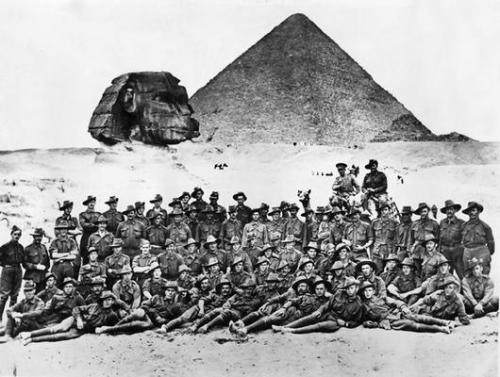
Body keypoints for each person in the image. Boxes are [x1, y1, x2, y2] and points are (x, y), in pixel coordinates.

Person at [233, 276, 328, 336]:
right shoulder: (293, 293)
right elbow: (284, 299)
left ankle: (245, 328)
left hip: (295, 320)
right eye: (299, 286)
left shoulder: (313, 297)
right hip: (285, 312)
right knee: (267, 316)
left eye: (303, 286)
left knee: (269, 321)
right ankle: (242, 326)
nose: (300, 288)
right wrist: (279, 307)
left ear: (308, 287)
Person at [22, 291, 124, 344]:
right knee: (57, 329)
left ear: (112, 302)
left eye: (110, 300)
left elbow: (116, 327)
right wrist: (79, 319)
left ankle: (32, 340)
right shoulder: (93, 306)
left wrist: (103, 329)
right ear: (102, 300)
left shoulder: (112, 315)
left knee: (62, 336)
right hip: (75, 320)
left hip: (84, 329)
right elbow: (76, 309)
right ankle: (29, 334)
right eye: (106, 299)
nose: (107, 302)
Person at [272, 277, 364, 334]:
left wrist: (346, 324)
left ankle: (293, 331)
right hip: (329, 314)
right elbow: (328, 304)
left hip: (337, 322)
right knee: (311, 317)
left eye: (352, 288)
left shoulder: (358, 304)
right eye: (348, 288)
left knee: (319, 325)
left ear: (356, 289)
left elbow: (358, 321)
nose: (349, 290)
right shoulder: (339, 293)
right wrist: (320, 310)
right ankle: (284, 327)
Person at [359, 281, 452, 334]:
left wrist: (403, 307)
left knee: (418, 317)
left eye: (369, 290)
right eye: (365, 291)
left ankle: (445, 322)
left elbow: (396, 302)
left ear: (373, 291)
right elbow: (366, 320)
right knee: (412, 325)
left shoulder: (382, 298)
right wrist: (375, 324)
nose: (367, 293)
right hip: (389, 321)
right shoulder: (364, 305)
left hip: (396, 313)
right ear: (362, 293)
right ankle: (441, 329)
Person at [461, 201, 495, 274]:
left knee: (483, 275)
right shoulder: (464, 226)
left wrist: (486, 254)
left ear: (478, 212)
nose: (471, 213)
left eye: (473, 210)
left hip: (481, 252)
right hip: (467, 252)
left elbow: (491, 242)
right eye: (469, 211)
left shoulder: (485, 226)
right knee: (467, 275)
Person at [0, 226, 25, 319]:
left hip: (18, 270)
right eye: (15, 234)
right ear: (11, 234)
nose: (17, 236)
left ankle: (10, 318)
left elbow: (23, 260)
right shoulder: (5, 247)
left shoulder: (21, 247)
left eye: (19, 235)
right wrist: (6, 266)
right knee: (4, 296)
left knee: (15, 296)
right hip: (7, 271)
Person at [410, 202, 440, 275]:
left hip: (428, 250)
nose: (423, 213)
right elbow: (411, 239)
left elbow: (437, 239)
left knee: (428, 271)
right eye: (421, 212)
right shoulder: (415, 223)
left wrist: (436, 252)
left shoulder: (434, 224)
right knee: (417, 271)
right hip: (417, 251)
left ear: (428, 212)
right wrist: (411, 250)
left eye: (424, 211)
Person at [439, 200, 465, 279]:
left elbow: (464, 238)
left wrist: (461, 249)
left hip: (457, 251)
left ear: (455, 210)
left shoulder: (461, 223)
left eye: (451, 209)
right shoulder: (442, 222)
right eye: (447, 209)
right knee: (446, 274)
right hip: (445, 251)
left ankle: (465, 291)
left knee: (461, 273)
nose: (449, 211)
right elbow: (439, 237)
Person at [49, 221, 79, 287]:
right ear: (59, 230)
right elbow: (54, 255)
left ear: (67, 230)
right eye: (61, 229)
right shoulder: (55, 241)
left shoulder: (71, 241)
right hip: (57, 266)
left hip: (68, 266)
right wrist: (68, 253)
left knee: (69, 284)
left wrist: (60, 257)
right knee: (56, 285)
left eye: (65, 229)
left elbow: (74, 256)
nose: (63, 231)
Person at [370, 203, 398, 271]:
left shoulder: (394, 223)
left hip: (389, 249)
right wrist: (372, 253)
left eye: (385, 210)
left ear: (389, 211)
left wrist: (393, 253)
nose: (384, 212)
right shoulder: (374, 222)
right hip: (377, 250)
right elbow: (371, 238)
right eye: (382, 210)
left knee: (390, 270)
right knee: (377, 269)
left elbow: (395, 240)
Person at [23, 228, 50, 293]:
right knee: (30, 297)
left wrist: (45, 268)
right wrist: (35, 266)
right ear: (33, 237)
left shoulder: (44, 247)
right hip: (31, 277)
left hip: (42, 278)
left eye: (40, 236)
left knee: (41, 296)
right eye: (37, 236)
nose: (38, 238)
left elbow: (47, 262)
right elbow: (24, 263)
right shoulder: (28, 249)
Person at [79, 195, 101, 263]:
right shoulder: (83, 214)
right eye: (90, 202)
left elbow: (102, 224)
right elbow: (83, 225)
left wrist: (92, 225)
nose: (92, 204)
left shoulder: (99, 214)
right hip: (86, 237)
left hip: (96, 237)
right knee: (86, 256)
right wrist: (95, 225)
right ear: (87, 204)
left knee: (98, 256)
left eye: (93, 202)